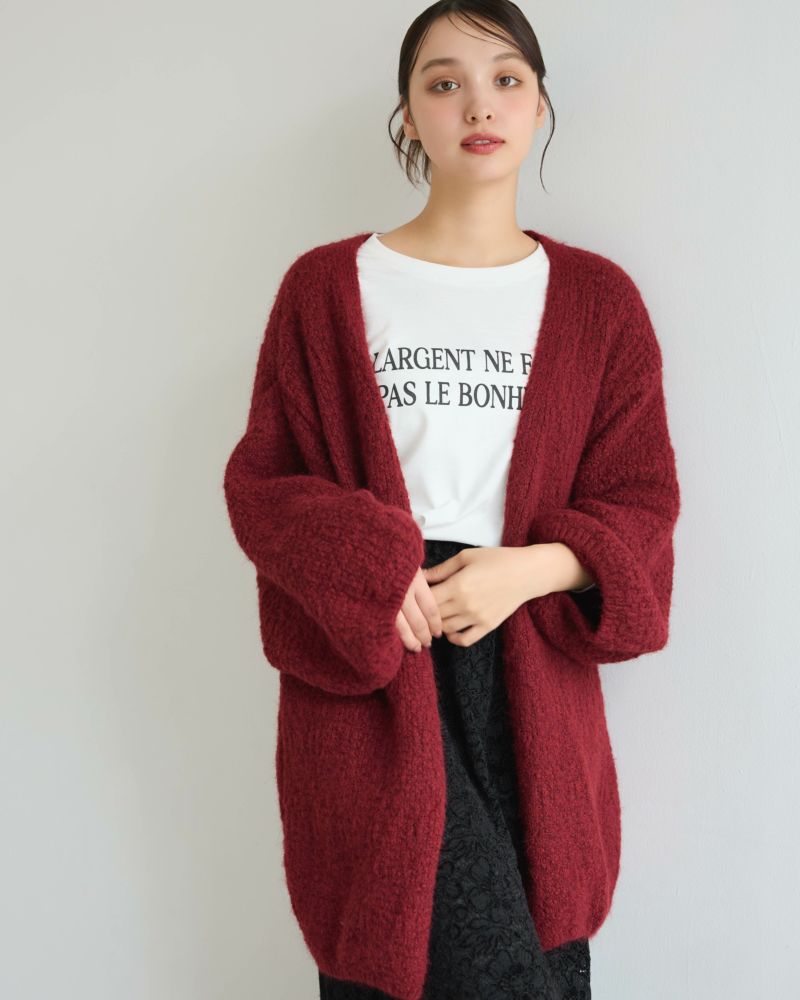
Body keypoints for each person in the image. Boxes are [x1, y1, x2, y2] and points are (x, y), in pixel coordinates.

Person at [223, 3, 681, 999]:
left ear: (540, 106)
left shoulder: (597, 303)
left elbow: (642, 502)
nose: (478, 104)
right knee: (407, 960)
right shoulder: (327, 287)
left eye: (506, 79)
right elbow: (263, 484)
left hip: (529, 672)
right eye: (444, 83)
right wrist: (368, 569)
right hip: (380, 664)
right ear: (407, 115)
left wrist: (533, 568)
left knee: (538, 956)